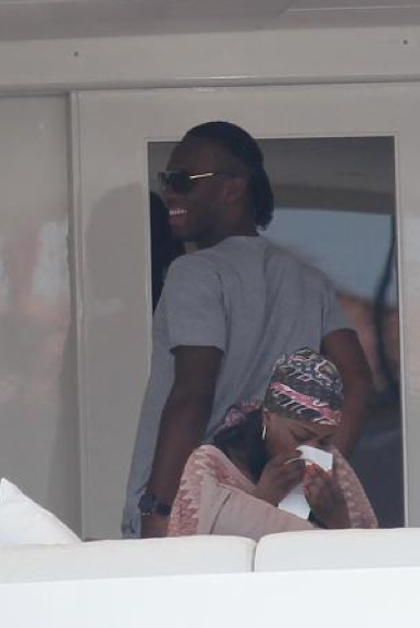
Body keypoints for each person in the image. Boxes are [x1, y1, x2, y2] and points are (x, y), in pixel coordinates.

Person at [122, 120, 373, 539]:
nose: (170, 192)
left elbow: (192, 395)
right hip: (277, 509)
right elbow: (359, 382)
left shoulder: (194, 273)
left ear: (233, 188)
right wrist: (312, 473)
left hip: (202, 510)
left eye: (182, 180)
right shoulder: (308, 281)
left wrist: (158, 508)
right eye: (167, 181)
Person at [168, 348, 377, 539]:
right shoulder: (211, 466)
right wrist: (262, 501)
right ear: (267, 417)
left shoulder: (333, 466)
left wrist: (337, 518)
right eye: (300, 436)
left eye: (323, 441)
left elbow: (367, 555)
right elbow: (194, 552)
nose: (311, 449)